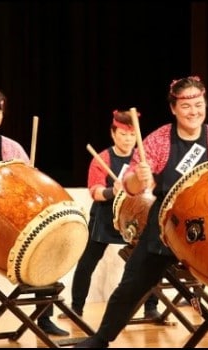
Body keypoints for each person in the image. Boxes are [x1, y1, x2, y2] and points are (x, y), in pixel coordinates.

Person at [73, 76, 208, 348]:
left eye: (199, 104)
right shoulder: (158, 141)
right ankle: (102, 338)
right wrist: (139, 176)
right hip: (166, 223)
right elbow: (132, 188)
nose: (194, 111)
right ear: (173, 108)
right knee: (133, 283)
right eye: (186, 106)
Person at [0, 88, 69, 336]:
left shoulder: (12, 148)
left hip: (10, 223)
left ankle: (44, 318)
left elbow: (29, 184)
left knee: (42, 244)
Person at [59, 109, 160, 321]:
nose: (128, 139)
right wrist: (111, 191)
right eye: (123, 134)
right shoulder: (103, 158)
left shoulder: (141, 160)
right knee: (87, 261)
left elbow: (153, 185)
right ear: (113, 134)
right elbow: (94, 190)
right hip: (106, 215)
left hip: (135, 217)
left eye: (132, 135)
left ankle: (151, 308)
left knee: (150, 260)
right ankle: (76, 308)